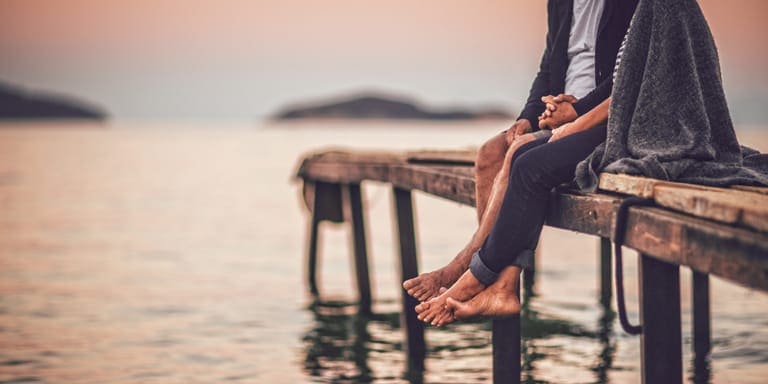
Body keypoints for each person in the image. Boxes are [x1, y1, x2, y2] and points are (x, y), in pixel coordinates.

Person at [403, 0, 637, 303]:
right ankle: (496, 280)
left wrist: (577, 109)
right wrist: (527, 118)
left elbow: (629, 76)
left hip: (601, 119)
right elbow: (548, 67)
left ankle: (466, 268)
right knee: (489, 154)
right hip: (556, 114)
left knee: (522, 154)